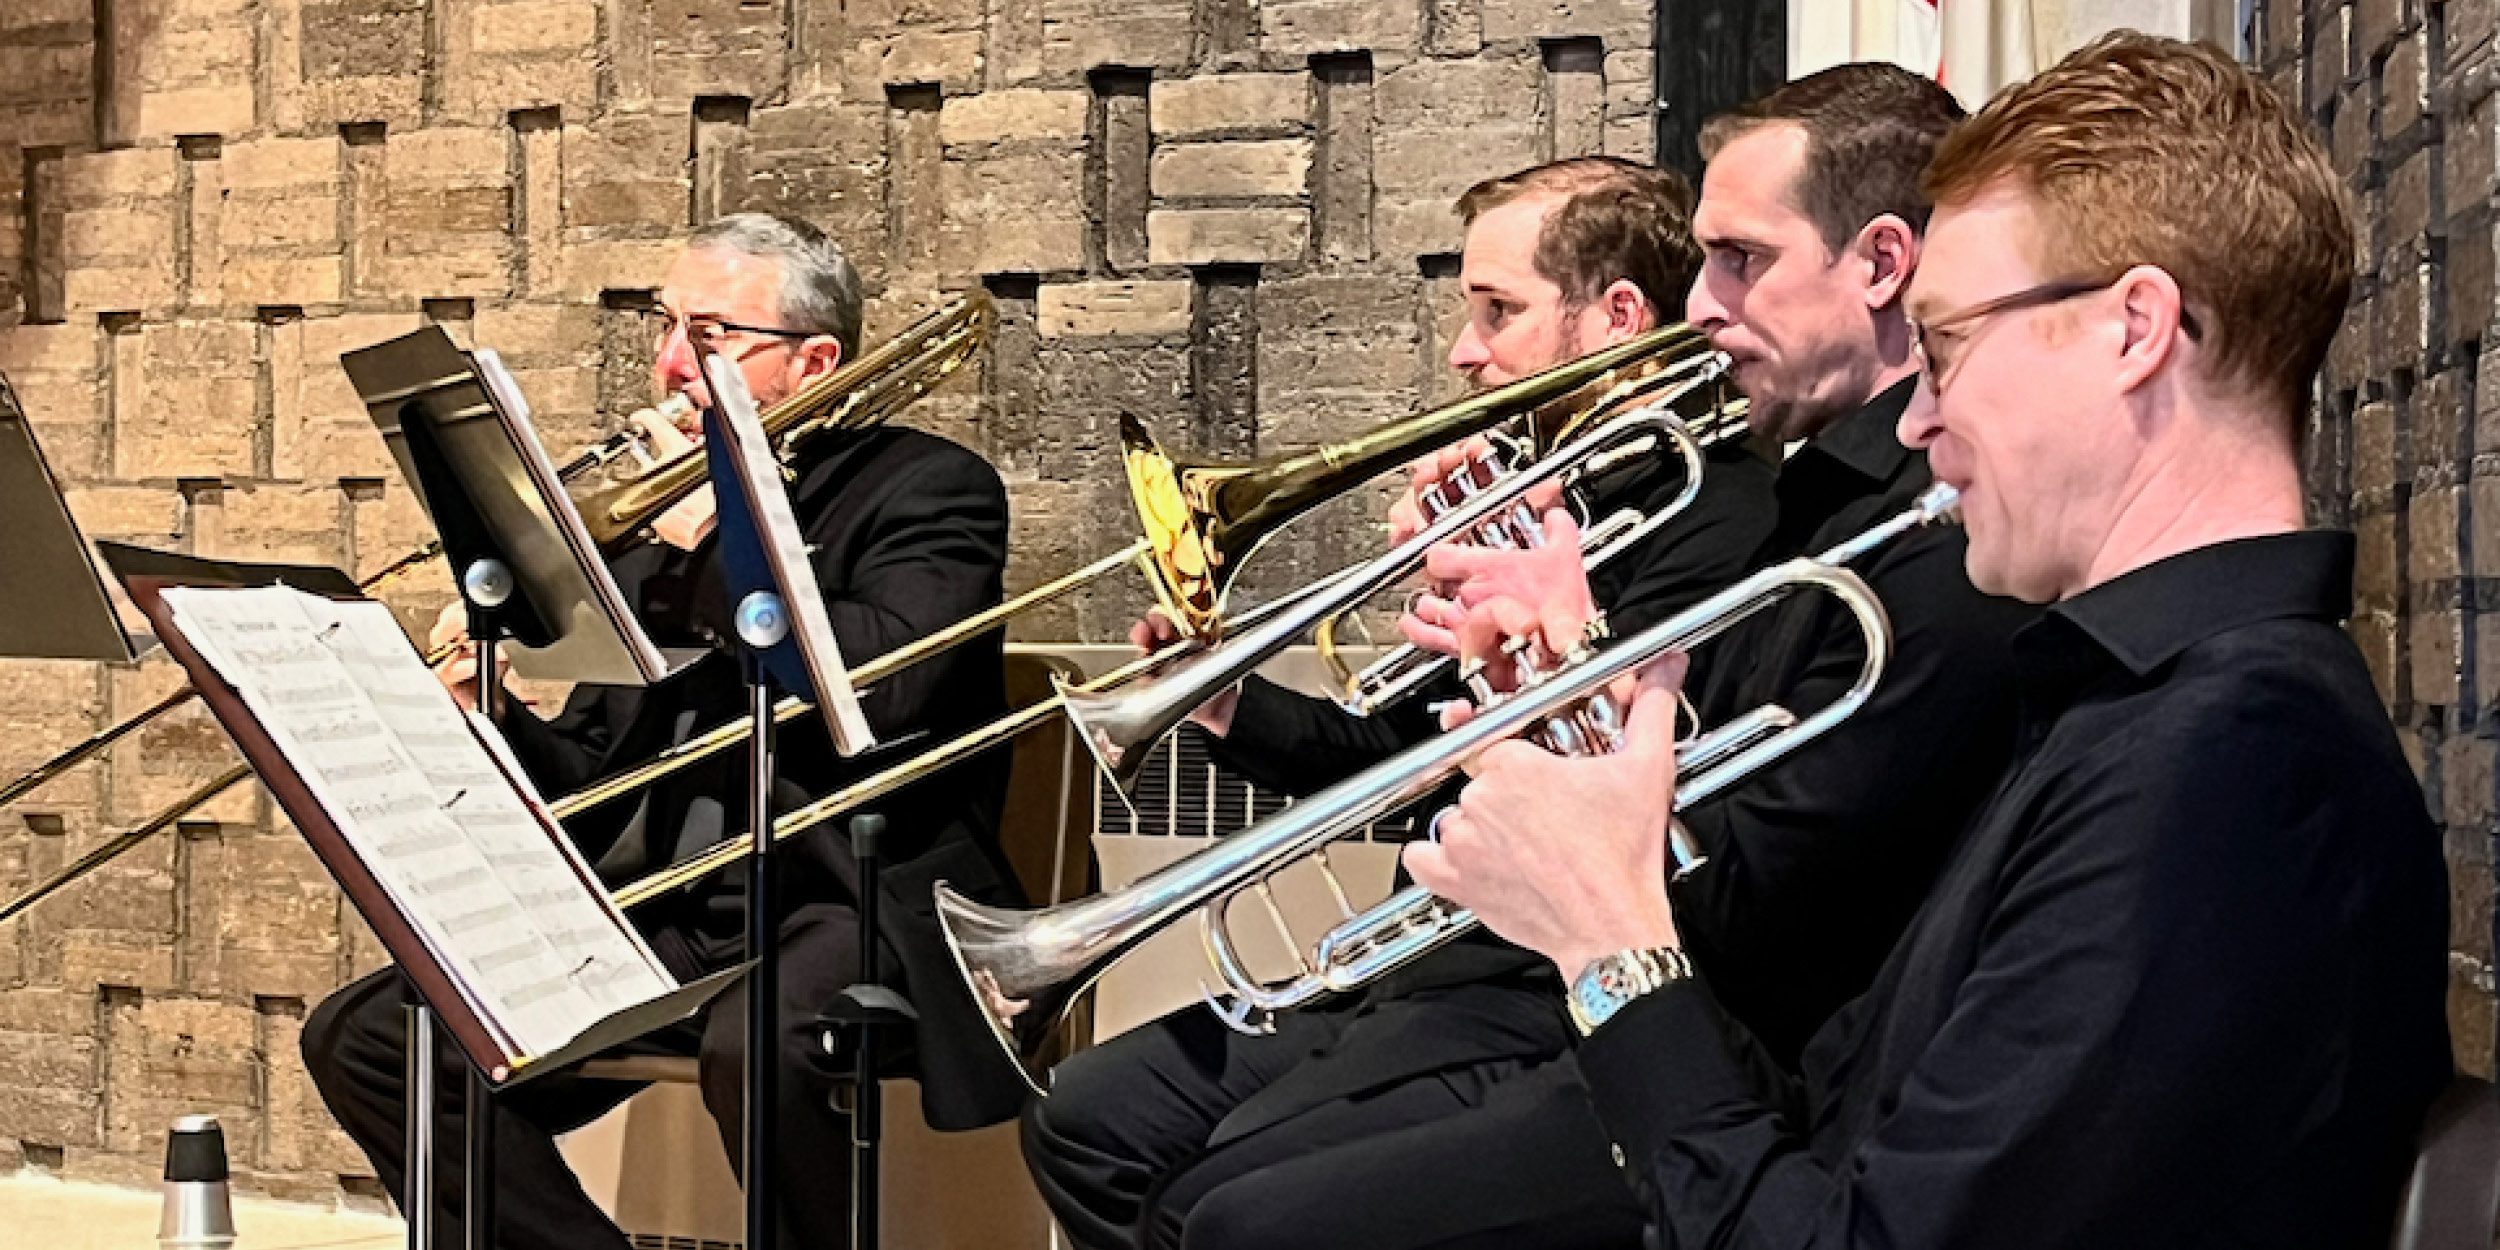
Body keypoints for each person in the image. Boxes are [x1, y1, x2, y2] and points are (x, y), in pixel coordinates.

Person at [1409, 32, 2451, 1248]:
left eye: (1947, 344)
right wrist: (1604, 834)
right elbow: (1830, 1114)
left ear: (2132, 330)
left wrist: (1612, 946)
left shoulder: (2232, 765)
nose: (1919, 411)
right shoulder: (2146, 708)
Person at [1023, 94, 2024, 1244]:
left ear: (1884, 265)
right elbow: (1436, 755)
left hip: (1621, 1015)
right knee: (1114, 1132)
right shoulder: (1791, 498)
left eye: (1740, 259)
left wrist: (1561, 654)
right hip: (1518, 966)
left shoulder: (1804, 520)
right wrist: (1271, 694)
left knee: (1233, 1209)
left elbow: (1728, 892)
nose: (1705, 307)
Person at [302, 212, 1028, 1250]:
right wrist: (493, 714)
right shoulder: (656, 534)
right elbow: (595, 768)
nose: (670, 361)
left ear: (812, 359)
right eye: (664, 325)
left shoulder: (927, 487)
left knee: (763, 1036)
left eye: (711, 332)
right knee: (374, 1033)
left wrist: (720, 546)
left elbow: (883, 685)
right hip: (672, 910)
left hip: (845, 895)